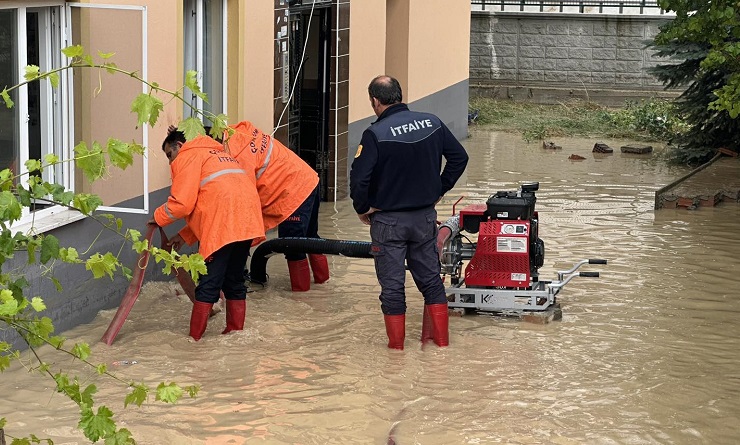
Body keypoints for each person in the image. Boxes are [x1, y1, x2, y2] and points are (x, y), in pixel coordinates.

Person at [349, 75, 469, 350]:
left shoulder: (375, 134)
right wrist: (440, 188)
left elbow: (359, 179)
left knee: (392, 289)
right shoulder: (432, 122)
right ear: (400, 96)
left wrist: (362, 208)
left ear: (375, 101)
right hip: (425, 218)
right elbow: (459, 158)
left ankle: (396, 354)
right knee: (430, 282)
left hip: (388, 221)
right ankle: (441, 345)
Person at [149, 130, 265, 341]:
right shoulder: (217, 153)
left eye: (169, 154)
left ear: (180, 145)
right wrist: (184, 236)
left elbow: (182, 205)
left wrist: (156, 218)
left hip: (225, 223)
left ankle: (194, 342)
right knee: (234, 281)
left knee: (209, 283)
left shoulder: (188, 156)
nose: (170, 162)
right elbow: (212, 200)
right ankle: (235, 334)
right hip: (247, 220)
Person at [222, 120, 329, 292]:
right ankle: (324, 286)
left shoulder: (239, 157)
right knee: (311, 238)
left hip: (292, 193)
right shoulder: (241, 135)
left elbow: (246, 200)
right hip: (308, 180)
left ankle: (302, 298)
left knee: (292, 246)